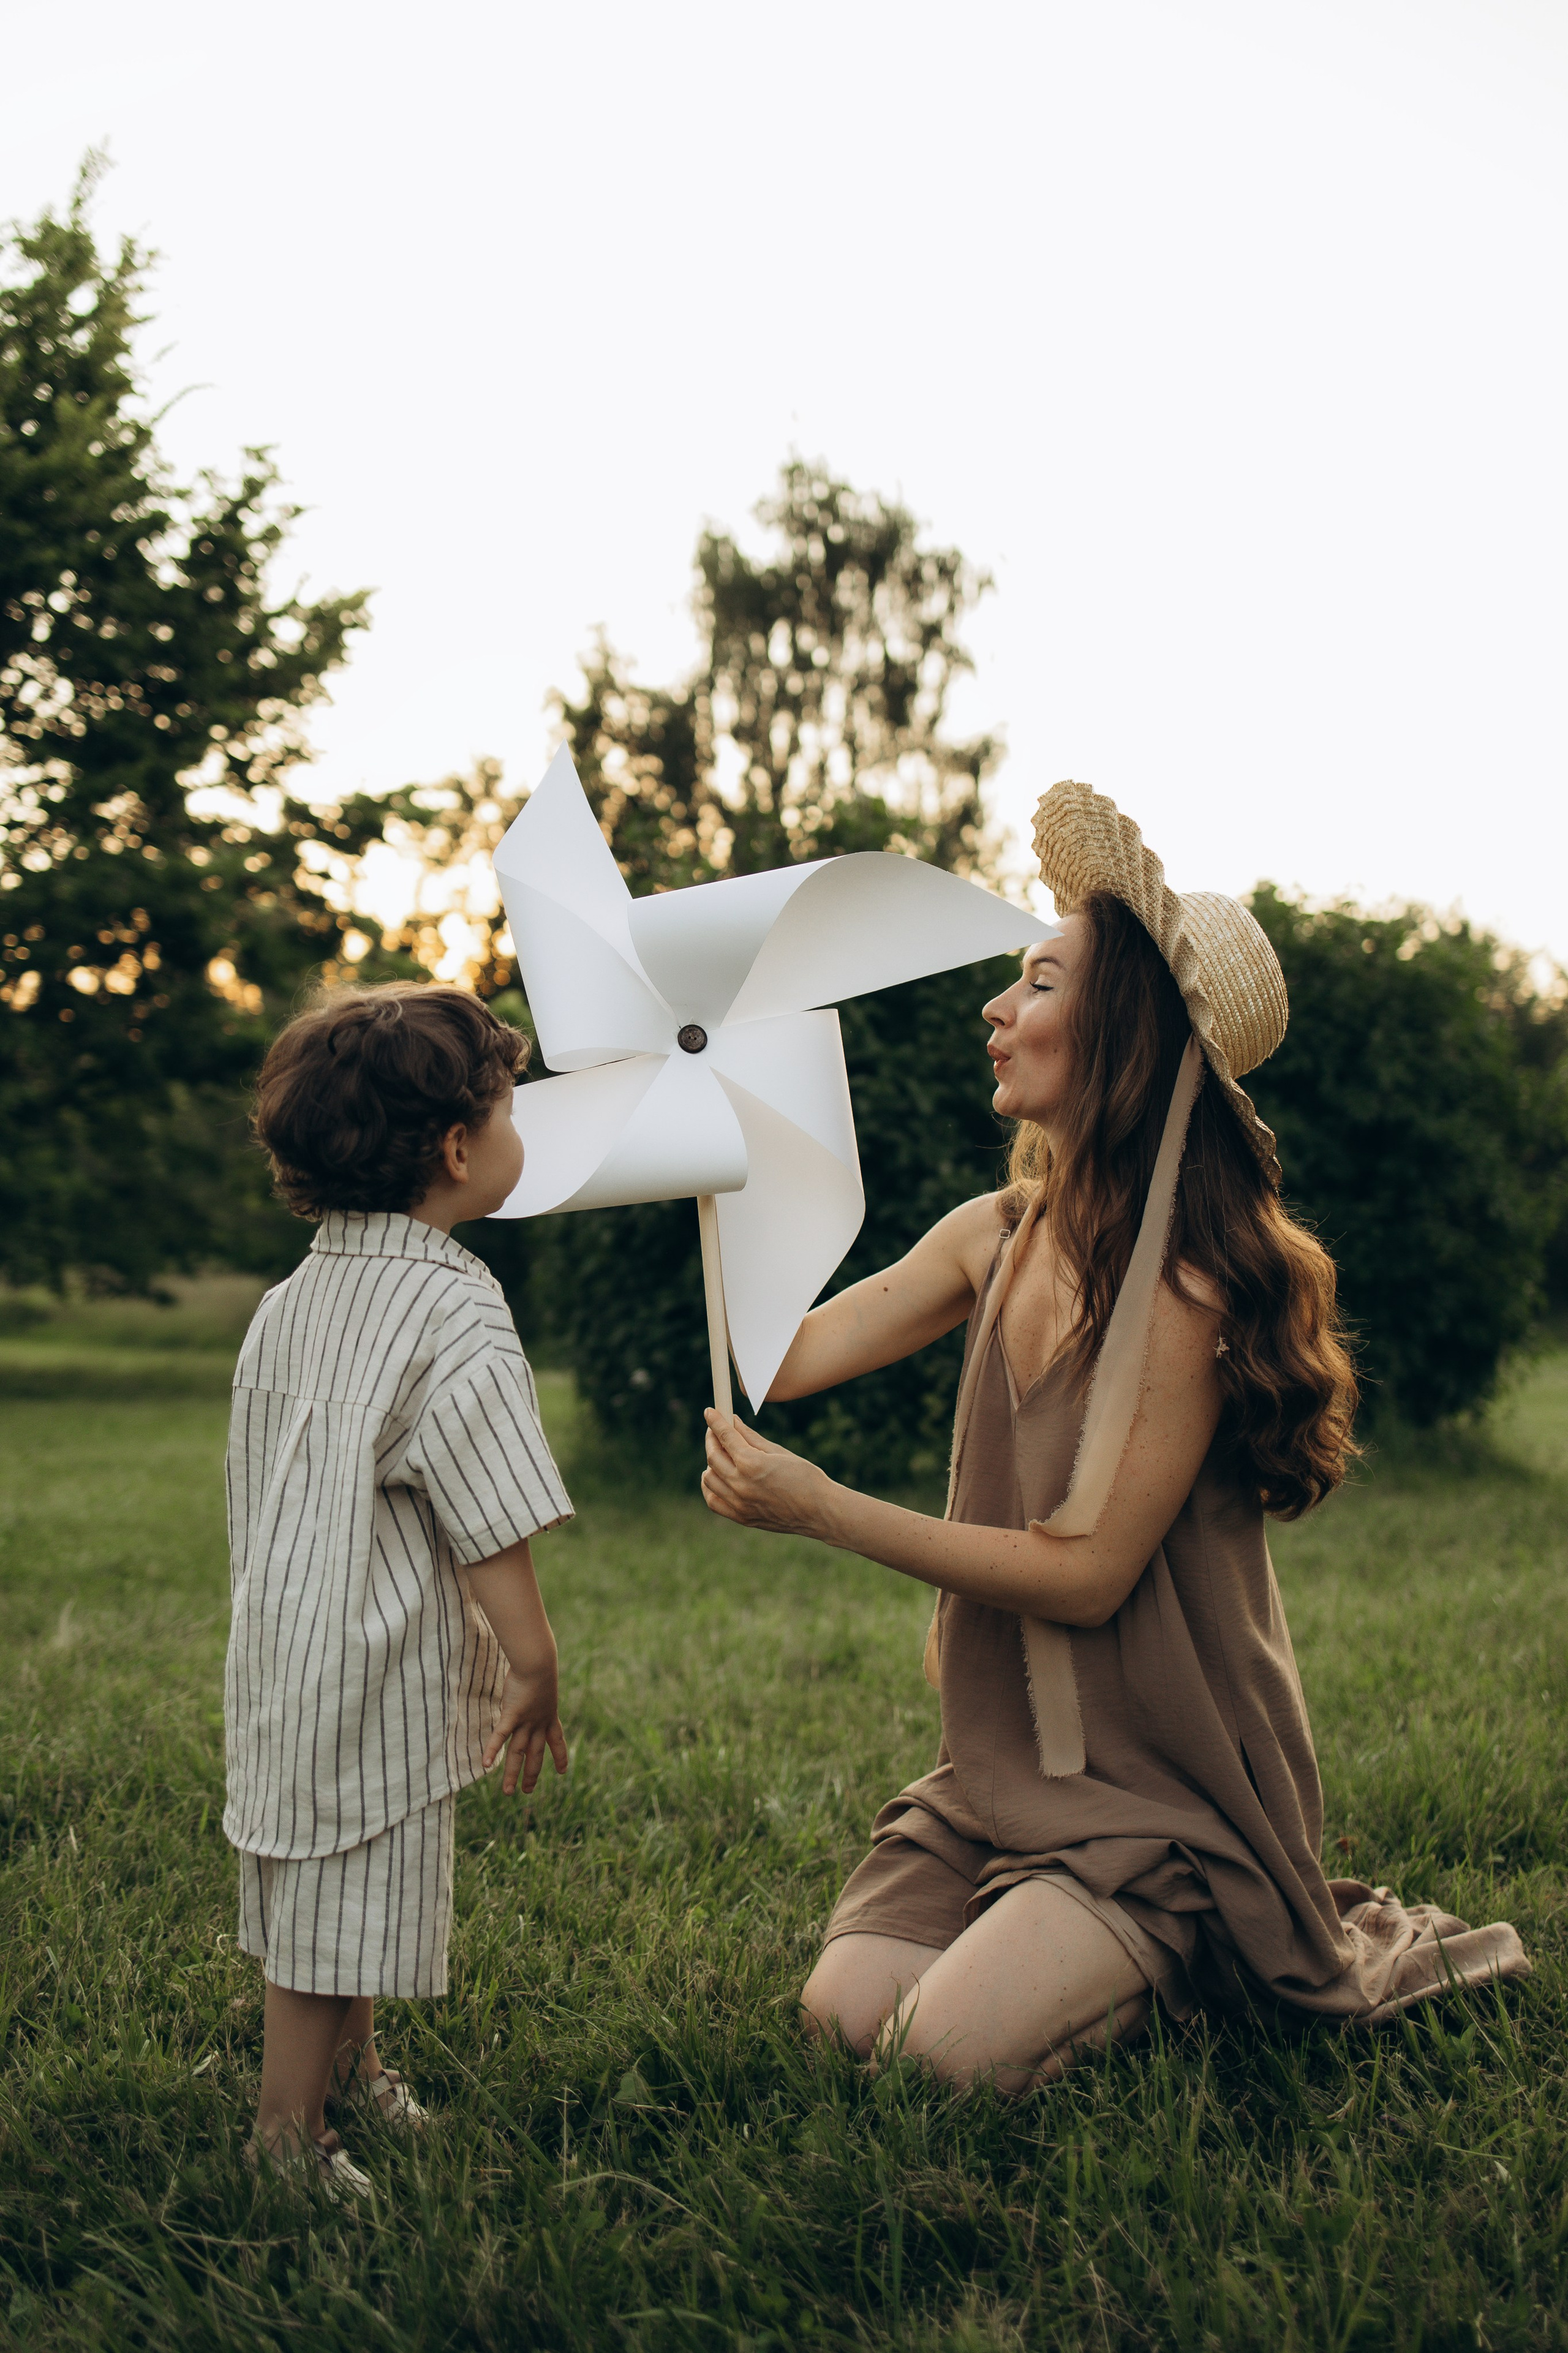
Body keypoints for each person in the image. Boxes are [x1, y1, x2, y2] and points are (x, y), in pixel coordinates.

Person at [701, 781, 1529, 2093]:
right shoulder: (989, 1234)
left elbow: (1084, 1572)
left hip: (1154, 1794)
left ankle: (1196, 1935)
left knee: (934, 2063)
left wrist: (821, 1509)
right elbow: (785, 1361)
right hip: (1002, 1770)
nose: (994, 1007)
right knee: (841, 2020)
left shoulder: (1186, 1288)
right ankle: (1050, 1935)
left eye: (1033, 981)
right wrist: (715, 1139)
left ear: (1126, 1033)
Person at [226, 984, 571, 2193]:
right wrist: (532, 1661)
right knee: (330, 1909)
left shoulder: (287, 1302)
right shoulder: (454, 1305)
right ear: (459, 1148)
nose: (519, 1128)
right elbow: (491, 1512)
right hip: (375, 1657)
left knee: (335, 1881)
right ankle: (287, 2132)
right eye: (509, 1106)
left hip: (286, 1648)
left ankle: (352, 2078)